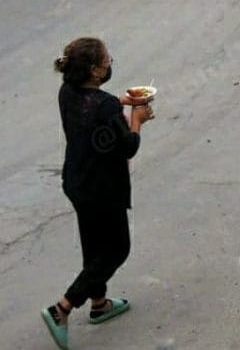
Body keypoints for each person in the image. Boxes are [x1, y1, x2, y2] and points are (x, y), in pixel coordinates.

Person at [41, 38, 155, 350]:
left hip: (77, 181)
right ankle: (63, 308)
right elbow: (128, 146)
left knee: (93, 244)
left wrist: (122, 102)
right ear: (94, 70)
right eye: (107, 61)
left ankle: (100, 303)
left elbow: (93, 109)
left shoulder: (68, 92)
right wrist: (137, 119)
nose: (110, 64)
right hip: (104, 188)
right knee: (116, 249)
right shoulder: (105, 106)